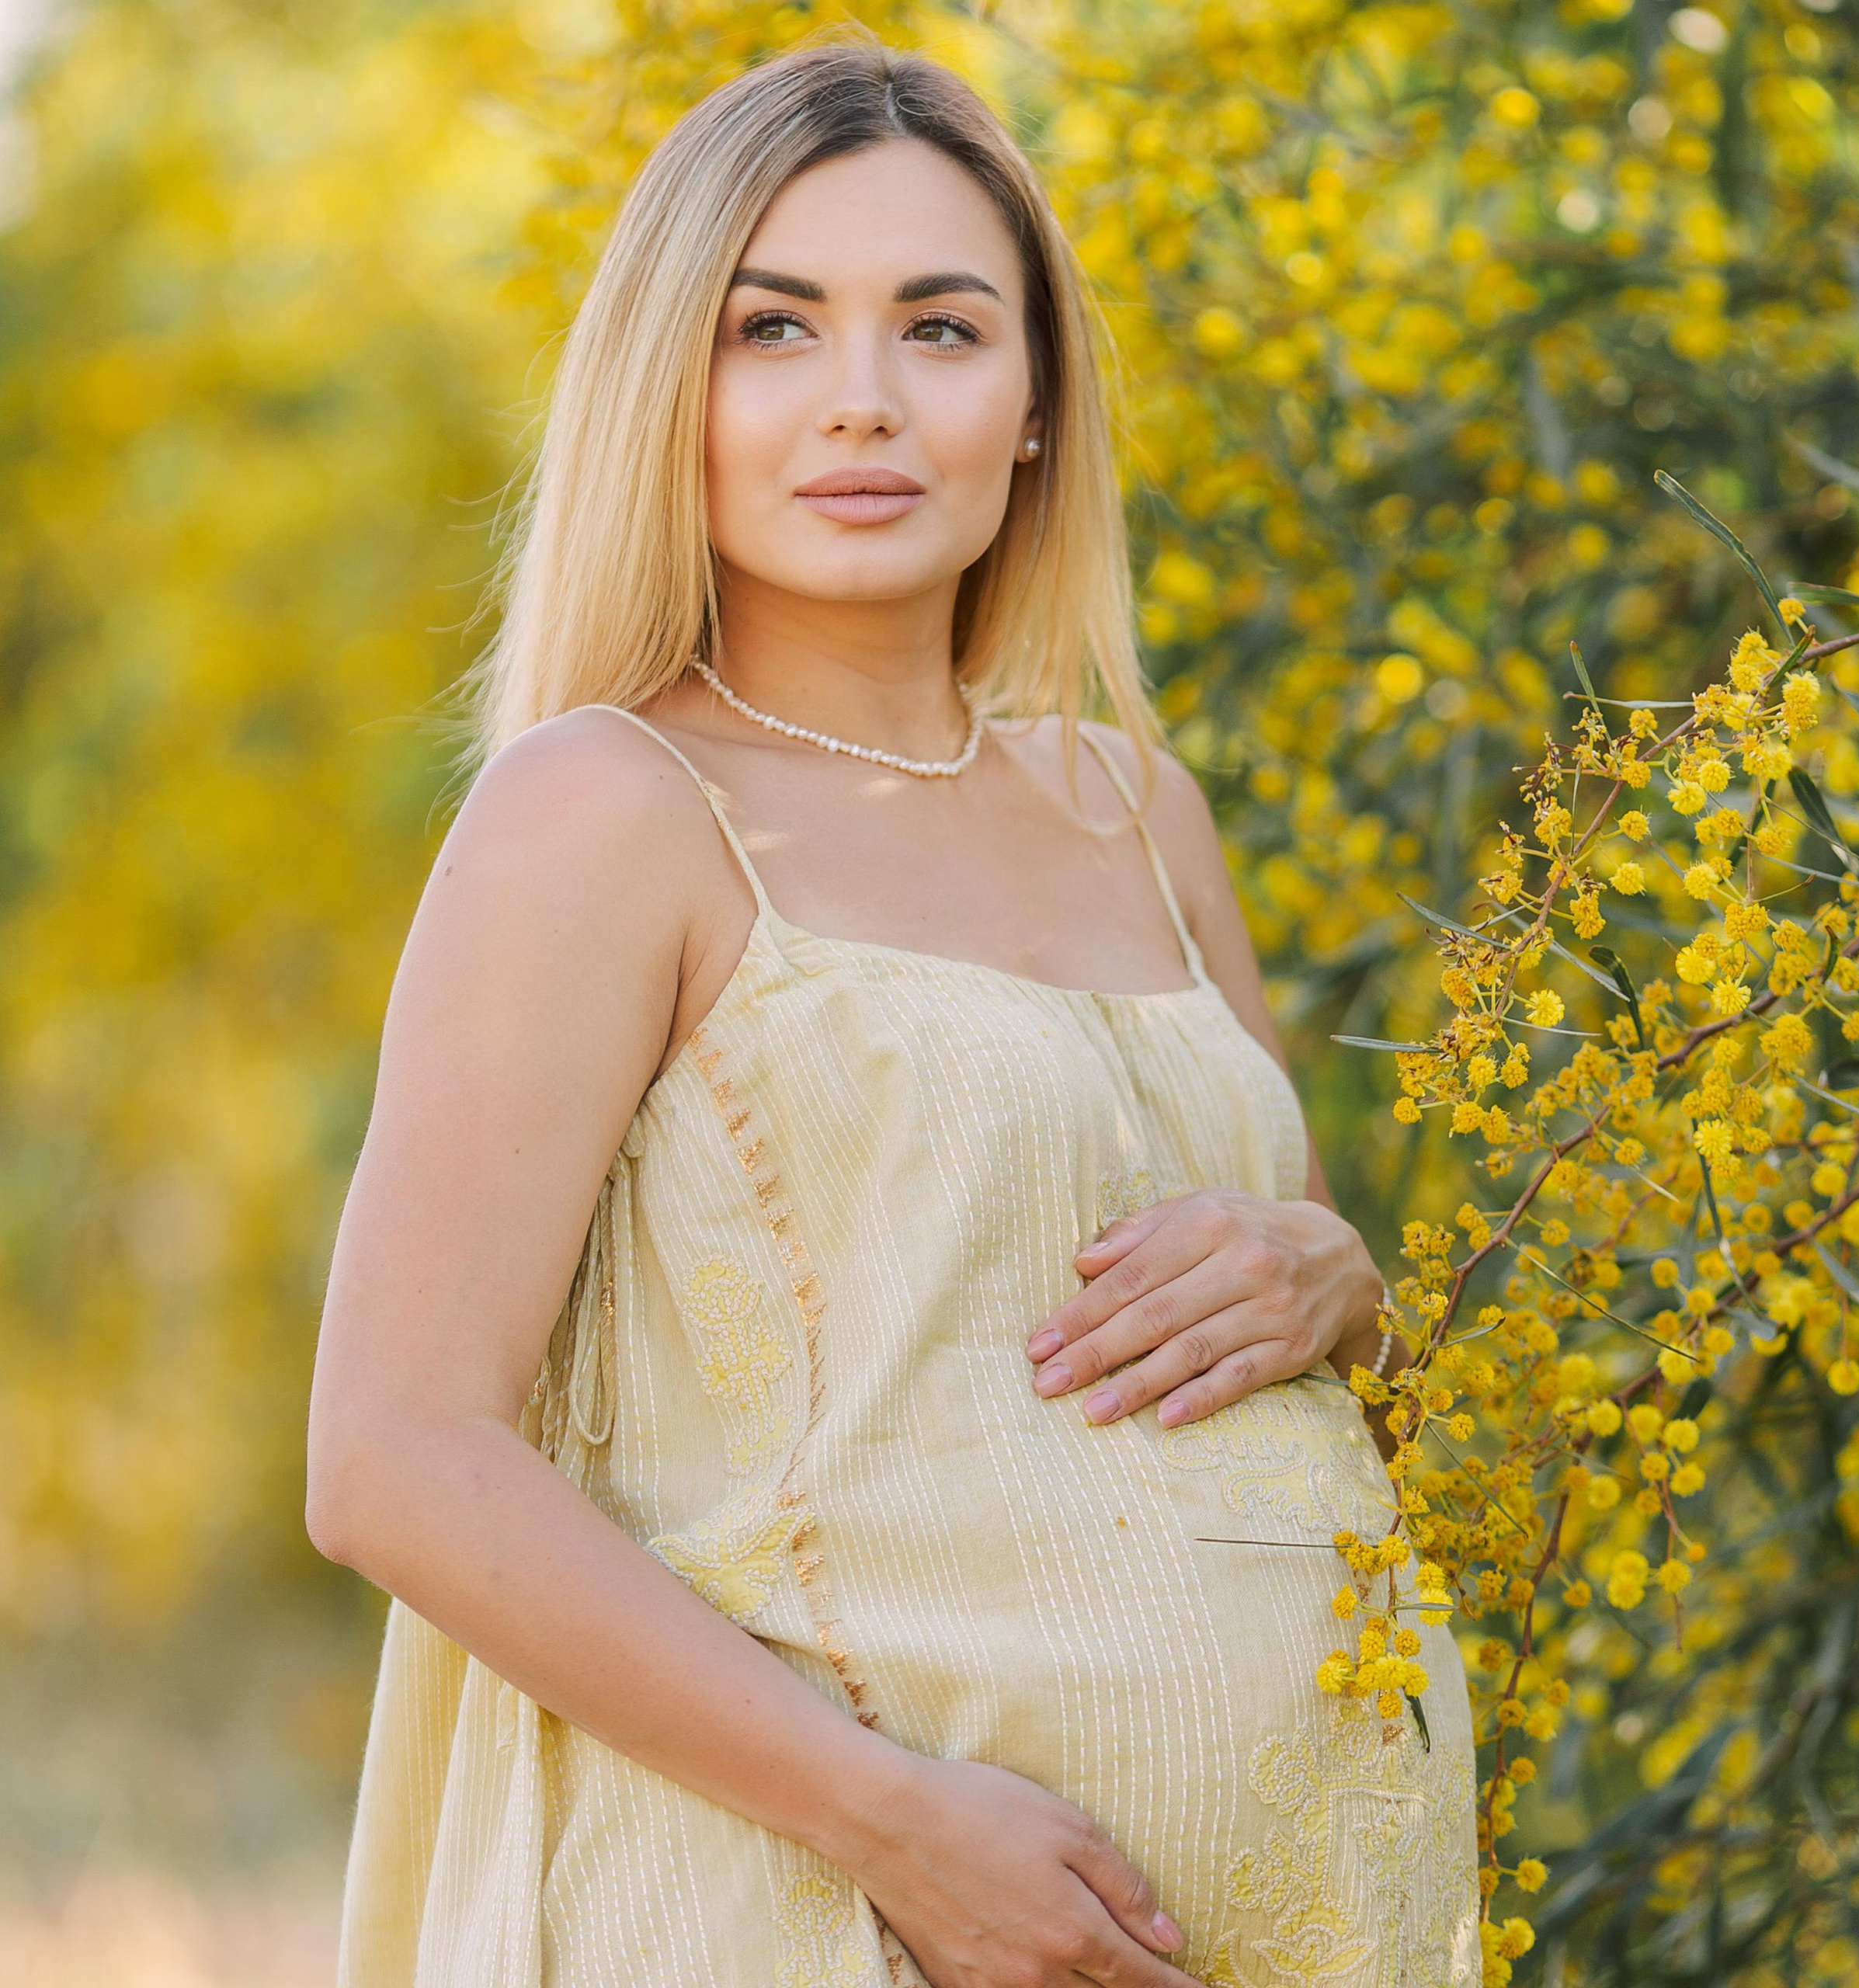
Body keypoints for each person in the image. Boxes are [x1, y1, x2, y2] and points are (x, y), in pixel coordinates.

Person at [305, 26, 1480, 1988]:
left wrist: (1332, 1273)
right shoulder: (607, 811)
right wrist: (902, 1830)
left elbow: (1229, 1411)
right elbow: (395, 1451)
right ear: (665, 388)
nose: (860, 404)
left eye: (939, 330)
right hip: (823, 1920)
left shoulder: (1135, 807)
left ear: (1033, 404)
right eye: (773, 330)